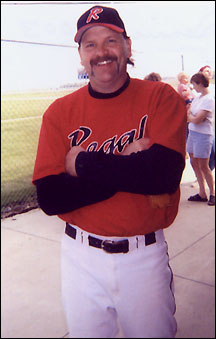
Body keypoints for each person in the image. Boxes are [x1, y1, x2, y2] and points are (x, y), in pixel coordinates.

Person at [32, 5, 187, 338]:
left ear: (127, 47)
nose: (101, 52)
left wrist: (82, 164)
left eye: (110, 41)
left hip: (144, 258)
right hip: (79, 259)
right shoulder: (60, 112)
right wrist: (131, 168)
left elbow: (163, 175)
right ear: (81, 54)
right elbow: (50, 196)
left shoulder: (160, 97)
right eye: (90, 44)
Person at [187, 72, 215, 206]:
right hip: (193, 134)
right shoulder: (197, 98)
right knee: (193, 162)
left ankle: (213, 193)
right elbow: (190, 114)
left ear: (199, 83)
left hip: (203, 135)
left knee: (204, 165)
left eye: (194, 84)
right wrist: (192, 118)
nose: (193, 87)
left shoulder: (209, 99)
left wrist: (192, 118)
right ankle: (202, 192)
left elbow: (197, 119)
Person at [199, 65, 215, 171]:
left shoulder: (213, 87)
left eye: (210, 71)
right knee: (209, 150)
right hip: (204, 124)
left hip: (213, 120)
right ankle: (204, 174)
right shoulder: (197, 88)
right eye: (206, 71)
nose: (209, 73)